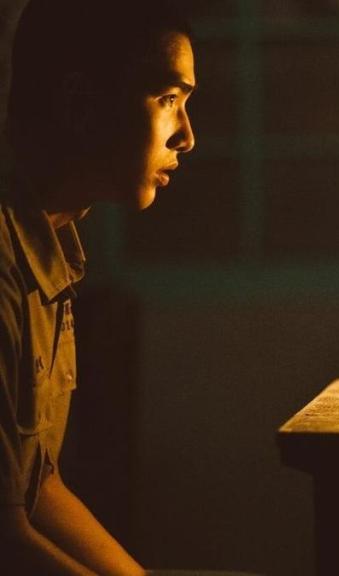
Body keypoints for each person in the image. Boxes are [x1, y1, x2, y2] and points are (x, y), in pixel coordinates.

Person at [0, 0, 195, 573]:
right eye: (167, 100)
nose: (186, 136)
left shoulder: (50, 250)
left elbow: (36, 484)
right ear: (81, 104)